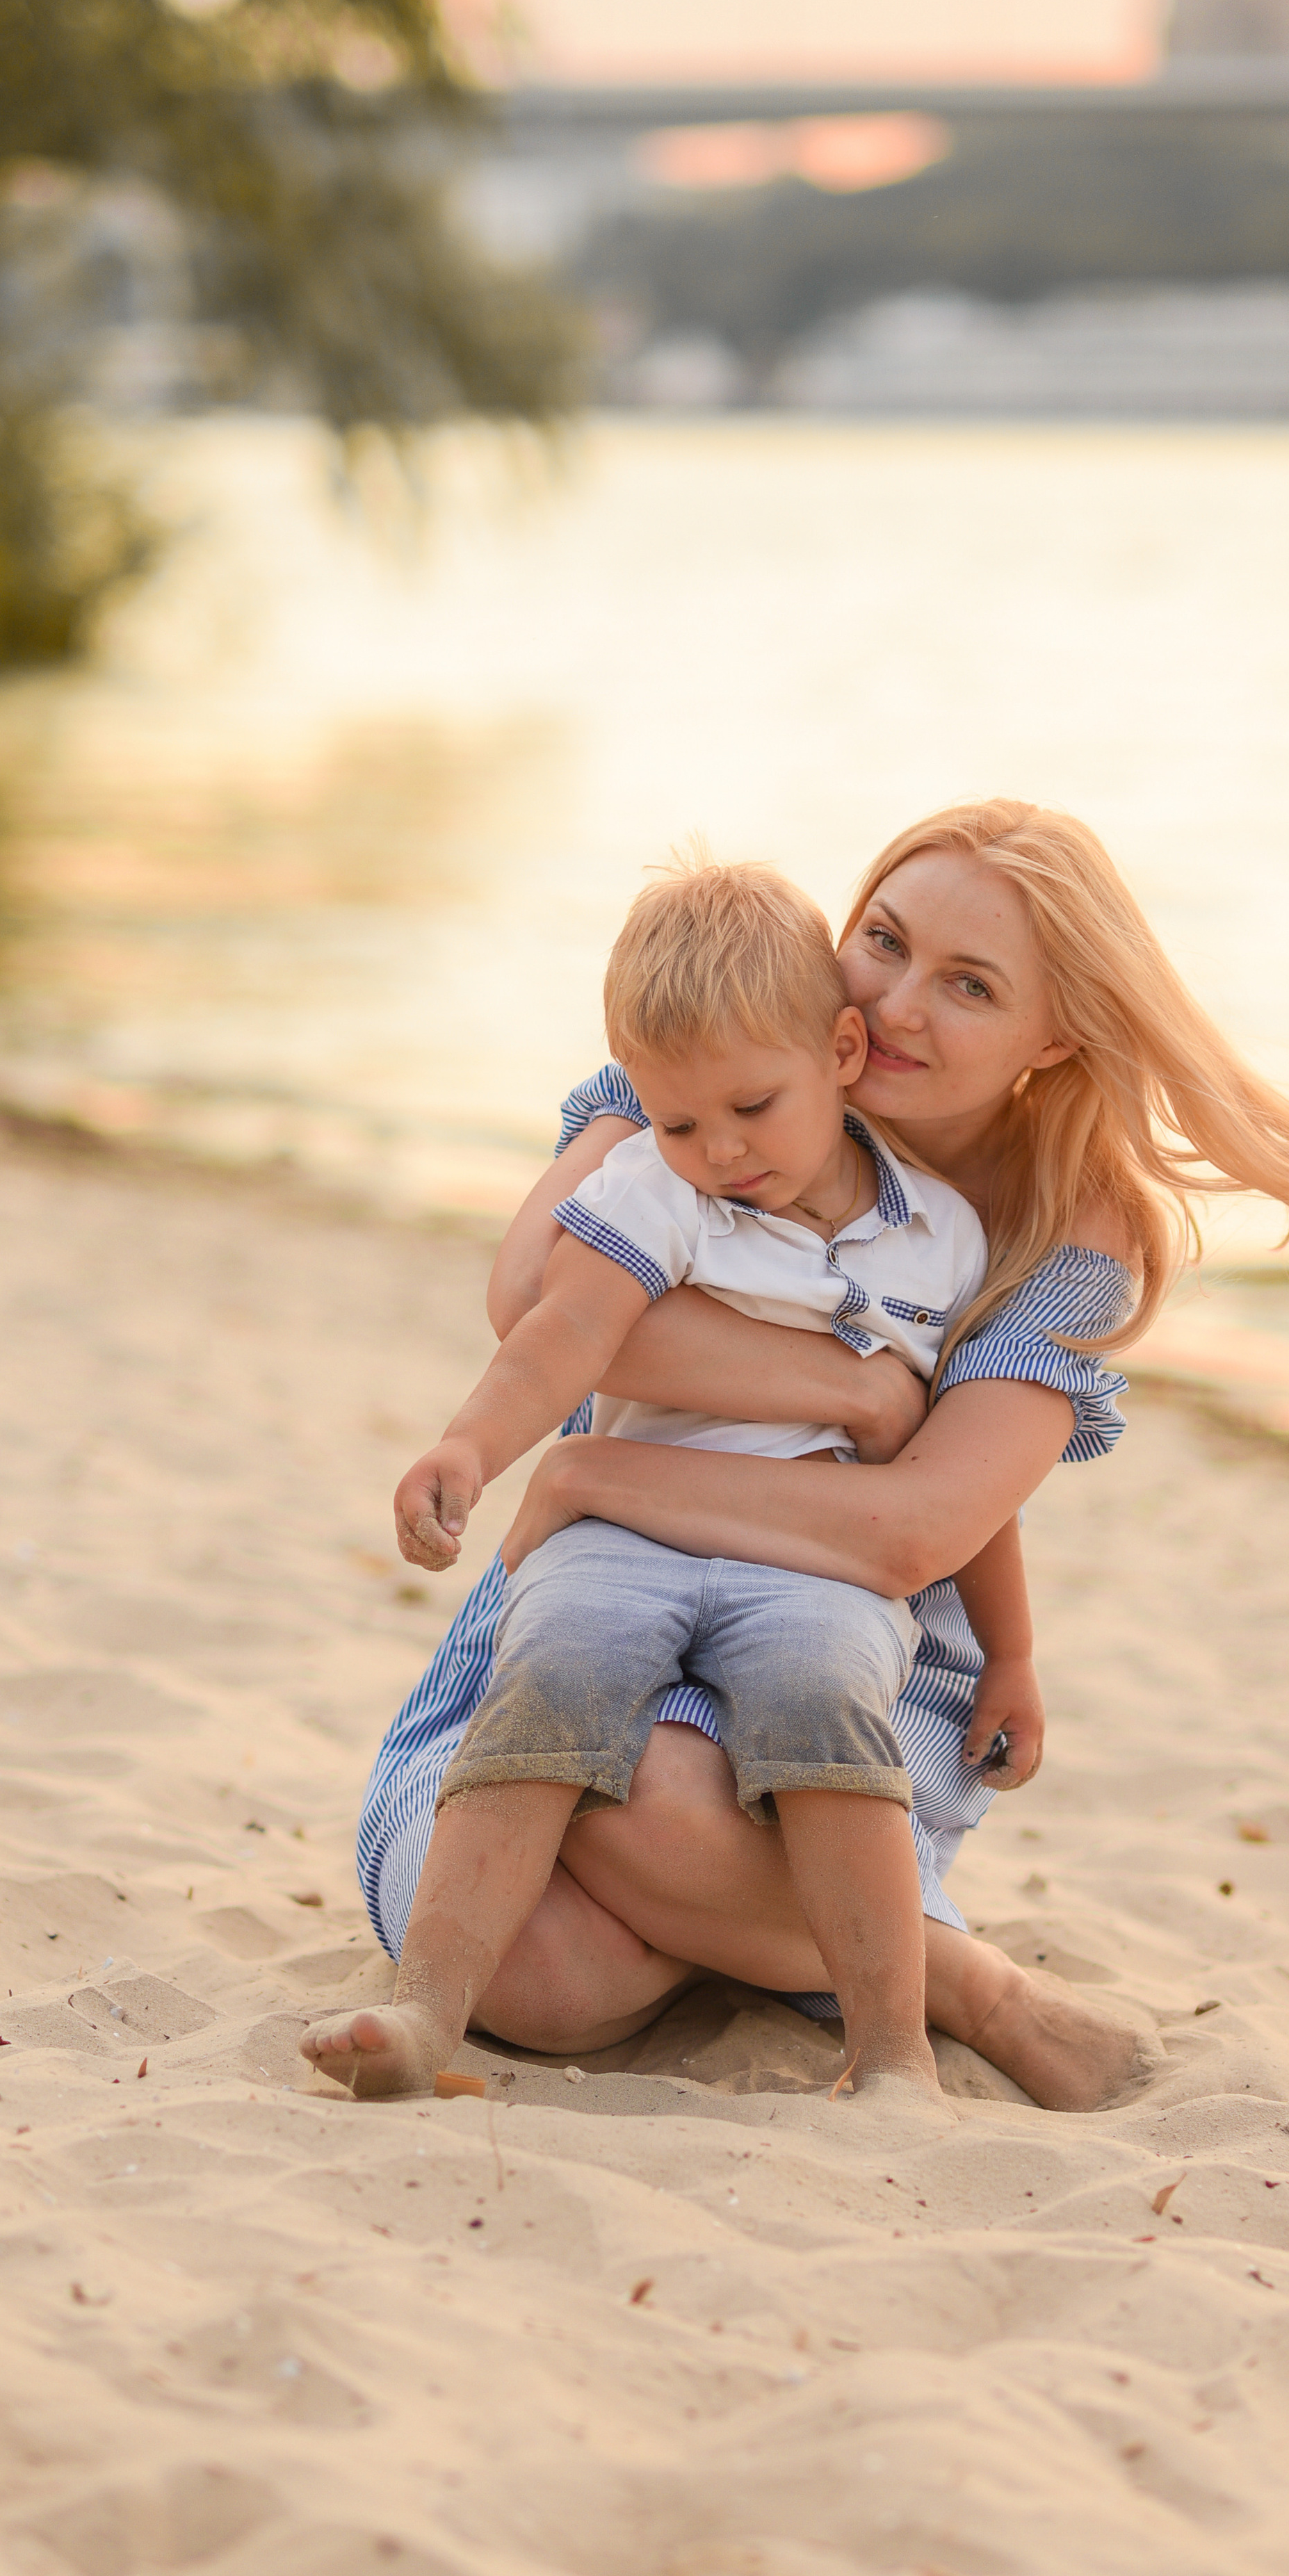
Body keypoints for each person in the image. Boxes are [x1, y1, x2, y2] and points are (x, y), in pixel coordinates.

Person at [340, 798, 1289, 2111]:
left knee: (657, 1801)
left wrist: (599, 1473)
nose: (893, 1007)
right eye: (882, 941)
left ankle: (862, 1967)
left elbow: (911, 1531)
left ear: (1054, 1036)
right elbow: (539, 1300)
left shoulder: (1059, 1233)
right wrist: (859, 1395)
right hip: (606, 1597)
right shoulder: (726, 1074)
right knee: (542, 1976)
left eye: (971, 985)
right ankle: (920, 1970)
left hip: (827, 1631)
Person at [302, 856, 1027, 2103]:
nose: (722, 1151)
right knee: (550, 1675)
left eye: (752, 1109)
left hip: (812, 1557)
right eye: (682, 1120)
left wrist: (1010, 1653)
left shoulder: (943, 1239)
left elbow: (961, 1481)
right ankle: (429, 2004)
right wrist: (472, 1448)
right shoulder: (656, 1183)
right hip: (619, 1533)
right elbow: (561, 1330)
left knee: (824, 1703)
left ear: (844, 1052)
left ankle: (894, 2051)